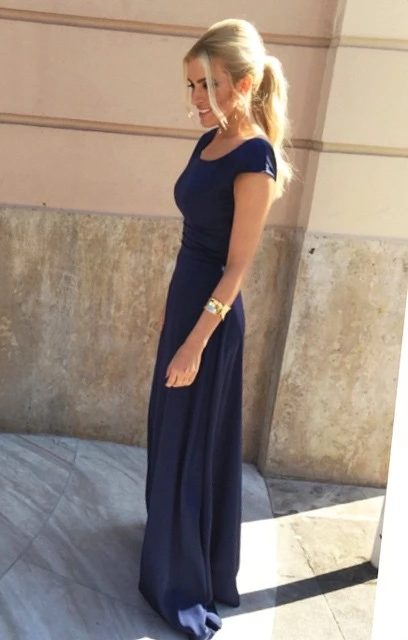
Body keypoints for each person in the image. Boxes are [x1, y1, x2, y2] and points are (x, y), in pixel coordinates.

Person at [138, 18, 293, 640]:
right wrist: (172, 312)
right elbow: (192, 242)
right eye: (192, 85)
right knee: (169, 433)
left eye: (209, 84)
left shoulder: (256, 157)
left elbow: (236, 268)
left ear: (245, 83)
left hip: (212, 323)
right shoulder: (208, 142)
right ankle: (166, 546)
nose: (197, 98)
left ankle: (181, 578)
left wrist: (195, 342)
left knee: (193, 443)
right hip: (186, 307)